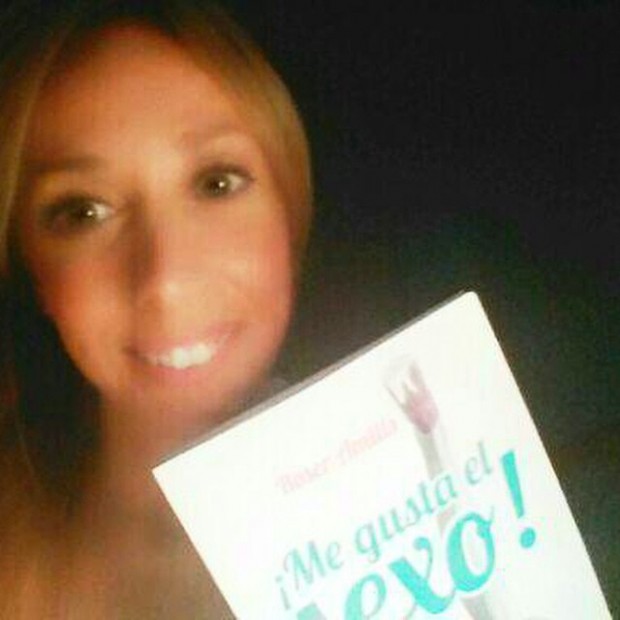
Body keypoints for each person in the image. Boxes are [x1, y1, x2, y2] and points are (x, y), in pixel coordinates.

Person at [0, 0, 312, 616]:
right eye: (83, 211)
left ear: (290, 210)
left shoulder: (437, 491)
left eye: (216, 182)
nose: (165, 279)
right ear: (31, 267)